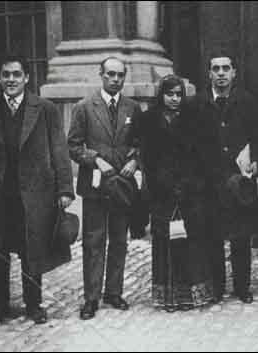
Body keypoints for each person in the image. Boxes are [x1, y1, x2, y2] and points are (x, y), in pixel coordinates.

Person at [0, 54, 74, 325]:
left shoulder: (45, 109)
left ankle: (34, 304)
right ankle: (1, 305)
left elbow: (59, 149)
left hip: (35, 194)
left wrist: (65, 189)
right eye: (6, 75)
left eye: (16, 74)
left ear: (26, 78)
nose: (11, 80)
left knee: (31, 248)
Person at [68, 57, 142, 320]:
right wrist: (96, 159)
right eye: (110, 74)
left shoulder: (133, 108)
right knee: (93, 240)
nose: (115, 79)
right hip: (96, 185)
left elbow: (141, 143)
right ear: (100, 74)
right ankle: (91, 298)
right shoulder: (84, 107)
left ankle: (113, 291)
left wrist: (135, 160)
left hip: (121, 183)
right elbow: (74, 146)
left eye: (120, 75)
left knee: (119, 240)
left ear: (125, 77)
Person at [133, 75, 214, 312]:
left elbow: (201, 156)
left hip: (190, 191)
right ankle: (167, 296)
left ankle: (190, 295)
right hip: (162, 193)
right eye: (170, 94)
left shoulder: (192, 119)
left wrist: (188, 183)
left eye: (179, 94)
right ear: (162, 95)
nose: (175, 99)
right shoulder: (149, 120)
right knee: (165, 243)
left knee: (190, 243)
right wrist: (162, 183)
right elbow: (147, 157)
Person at [191, 53, 258, 304]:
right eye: (216, 69)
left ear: (234, 73)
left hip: (239, 180)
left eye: (225, 68)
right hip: (210, 180)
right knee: (213, 235)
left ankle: (242, 287)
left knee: (241, 236)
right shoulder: (197, 103)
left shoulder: (247, 102)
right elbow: (190, 142)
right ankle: (218, 286)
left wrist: (257, 161)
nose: (221, 73)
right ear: (209, 74)